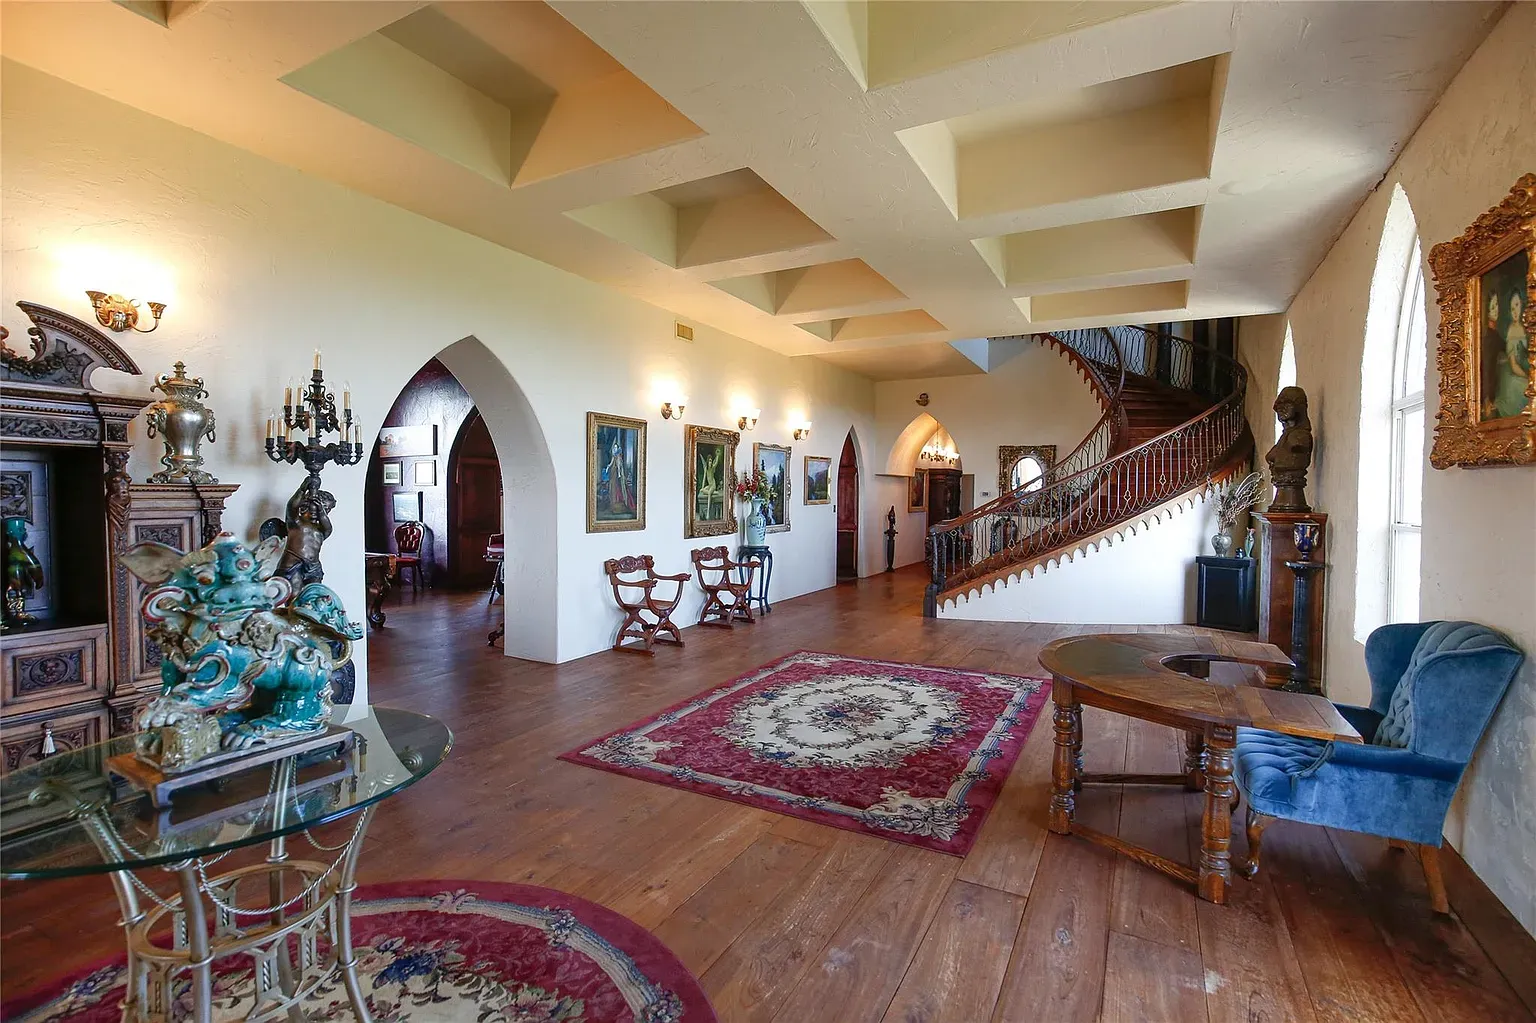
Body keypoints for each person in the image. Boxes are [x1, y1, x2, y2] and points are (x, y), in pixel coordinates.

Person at [1491, 289, 1531, 419]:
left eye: (1517, 305)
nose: (1515, 311)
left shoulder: (1526, 328)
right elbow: (1514, 365)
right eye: (1512, 307)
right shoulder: (1512, 331)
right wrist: (1530, 378)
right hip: (1514, 375)